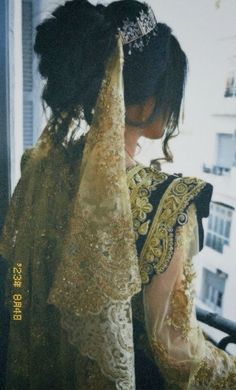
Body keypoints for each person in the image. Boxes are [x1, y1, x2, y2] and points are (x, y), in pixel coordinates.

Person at [0, 0, 235, 389]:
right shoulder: (170, 203)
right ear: (143, 102)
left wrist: (23, 334)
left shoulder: (39, 169)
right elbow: (176, 354)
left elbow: (18, 279)